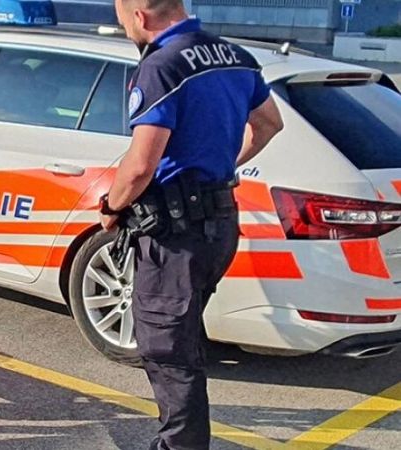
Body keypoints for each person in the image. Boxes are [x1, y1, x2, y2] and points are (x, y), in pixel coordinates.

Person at [100, 1, 284, 448]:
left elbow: (142, 164)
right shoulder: (234, 55)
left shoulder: (162, 66)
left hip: (176, 234)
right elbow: (269, 124)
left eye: (124, 22)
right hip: (219, 223)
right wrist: (222, 166)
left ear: (140, 17)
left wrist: (112, 204)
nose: (126, 30)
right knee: (179, 338)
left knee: (167, 352)